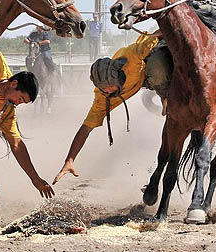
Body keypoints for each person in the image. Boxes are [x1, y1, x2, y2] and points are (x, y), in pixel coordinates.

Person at [52, 32, 160, 185]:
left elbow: (157, 35)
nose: (108, 91)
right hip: (143, 82)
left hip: (149, 64)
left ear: (118, 77)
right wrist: (69, 159)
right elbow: (86, 128)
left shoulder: (133, 54)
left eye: (110, 87)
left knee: (160, 66)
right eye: (104, 89)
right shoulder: (102, 97)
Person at [0, 48, 55, 199]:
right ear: (13, 84)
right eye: (20, 99)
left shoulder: (8, 110)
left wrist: (35, 179)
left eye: (22, 103)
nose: (17, 104)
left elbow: (16, 144)